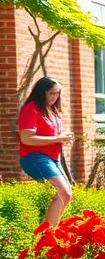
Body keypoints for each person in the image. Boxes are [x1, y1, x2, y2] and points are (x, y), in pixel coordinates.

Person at [17, 76, 74, 226]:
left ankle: (48, 230)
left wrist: (64, 137)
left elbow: (52, 134)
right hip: (35, 157)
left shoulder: (53, 111)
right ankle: (48, 235)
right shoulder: (32, 109)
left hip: (52, 159)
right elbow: (26, 139)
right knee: (64, 193)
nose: (54, 98)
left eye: (57, 94)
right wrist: (57, 139)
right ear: (42, 92)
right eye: (51, 94)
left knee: (67, 195)